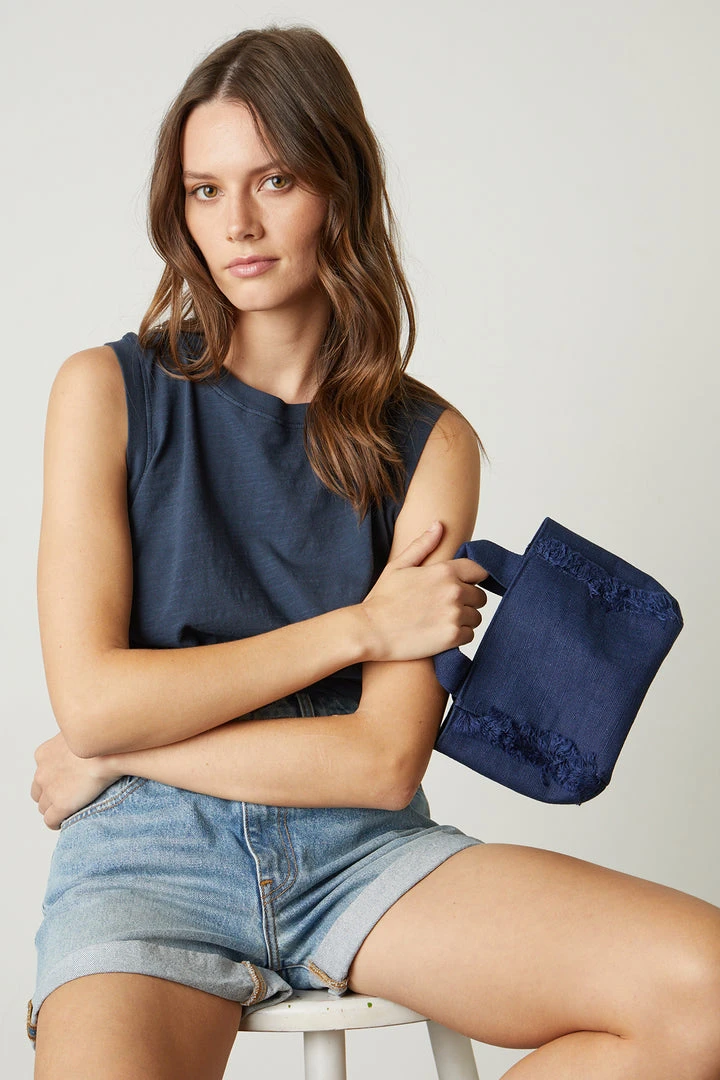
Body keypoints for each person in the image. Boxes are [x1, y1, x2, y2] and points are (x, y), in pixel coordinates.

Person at [29, 24, 720, 1080]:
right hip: (145, 857)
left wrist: (122, 748)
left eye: (275, 180)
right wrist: (360, 628)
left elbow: (379, 761)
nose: (238, 222)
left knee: (704, 992)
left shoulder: (429, 442)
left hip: (359, 852)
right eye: (206, 190)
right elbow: (92, 701)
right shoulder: (105, 393)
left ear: (338, 187)